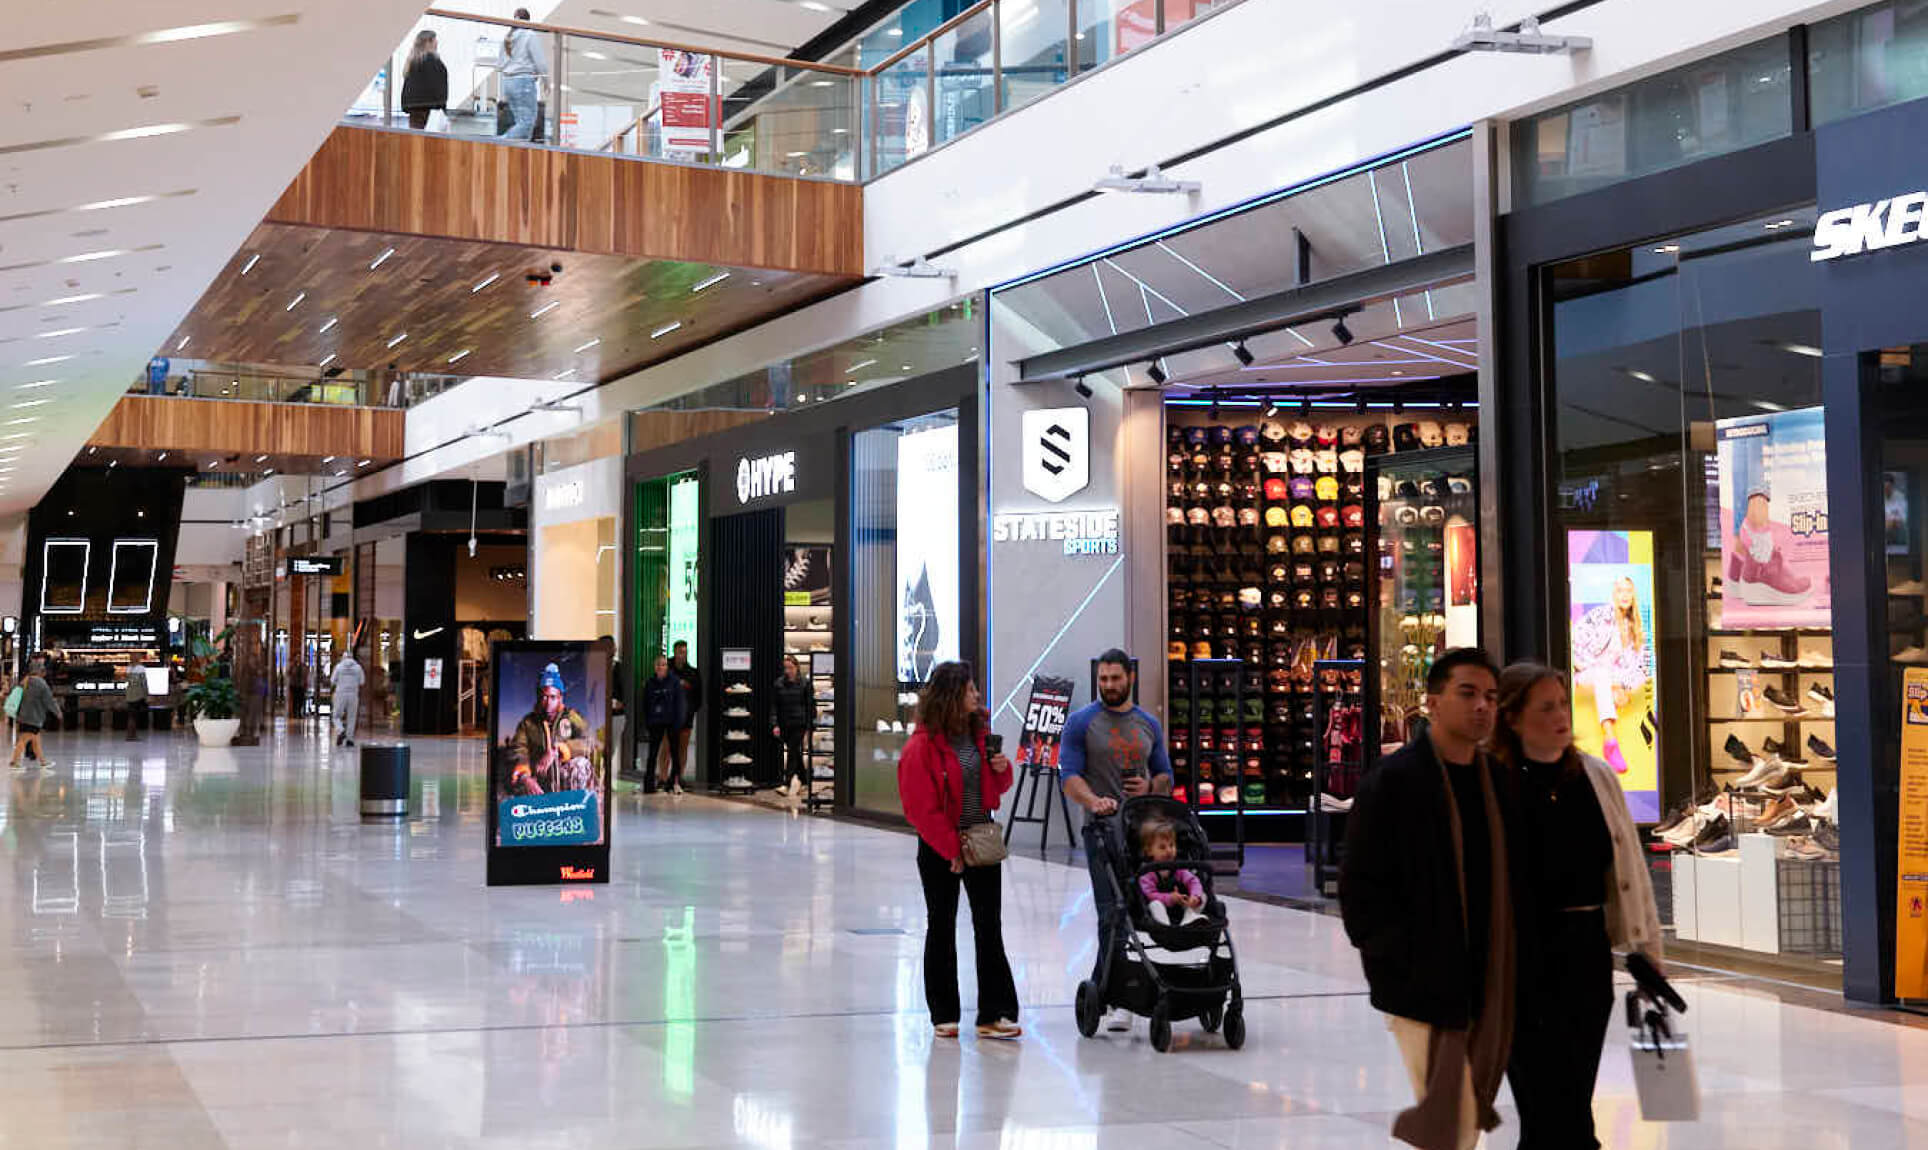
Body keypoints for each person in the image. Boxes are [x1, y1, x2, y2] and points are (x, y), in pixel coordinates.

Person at [1340, 647, 1515, 1150]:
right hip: (1422, 986)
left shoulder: (1496, 782)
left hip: (1486, 981)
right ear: (1432, 703)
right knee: (1452, 1124)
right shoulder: (1395, 782)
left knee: (1460, 1124)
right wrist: (1398, 958)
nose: (1482, 706)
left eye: (1490, 697)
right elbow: (1360, 884)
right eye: (1467, 693)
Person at [1491, 661, 1662, 1150]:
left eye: (1563, 704)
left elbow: (1630, 870)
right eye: (1545, 707)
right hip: (1519, 958)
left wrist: (1649, 953)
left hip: (1584, 952)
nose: (1561, 716)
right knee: (1547, 1102)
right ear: (1513, 718)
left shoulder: (1595, 776)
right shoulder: (1494, 781)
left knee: (1571, 1095)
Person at [897, 660, 1020, 1040]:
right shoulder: (921, 746)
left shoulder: (979, 736)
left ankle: (994, 1013)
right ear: (953, 695)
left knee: (989, 926)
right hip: (940, 846)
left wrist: (1001, 768)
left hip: (980, 840)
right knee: (941, 924)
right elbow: (919, 807)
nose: (977, 695)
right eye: (970, 690)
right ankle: (944, 1014)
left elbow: (994, 791)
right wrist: (951, 848)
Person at [1059, 648, 1172, 1033]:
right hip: (1102, 833)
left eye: (1115, 679)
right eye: (1103, 679)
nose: (1108, 685)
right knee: (1112, 912)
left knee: (1142, 911)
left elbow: (1165, 776)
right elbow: (1069, 776)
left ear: (1130, 679)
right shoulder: (1081, 723)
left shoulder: (1148, 725)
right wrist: (1094, 801)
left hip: (1143, 834)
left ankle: (1116, 988)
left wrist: (1148, 787)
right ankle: (1115, 995)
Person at [1571, 575, 1649, 774]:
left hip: (1612, 678)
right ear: (1614, 594)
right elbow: (1573, 643)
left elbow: (1643, 666)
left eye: (1628, 591)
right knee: (1601, 674)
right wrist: (1588, 666)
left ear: (1633, 596)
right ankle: (1610, 741)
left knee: (1606, 678)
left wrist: (1624, 688)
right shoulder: (1600, 616)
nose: (1625, 595)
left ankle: (1611, 740)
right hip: (1585, 670)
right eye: (1620, 590)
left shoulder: (1635, 627)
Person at [504, 662, 600, 796]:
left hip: (566, 781)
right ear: (538, 697)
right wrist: (525, 776)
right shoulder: (528, 723)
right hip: (539, 781)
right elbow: (518, 750)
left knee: (581, 764)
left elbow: (590, 741)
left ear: (560, 698)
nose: (548, 703)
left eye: (553, 697)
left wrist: (559, 750)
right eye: (544, 697)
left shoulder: (572, 717)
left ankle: (577, 807)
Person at [1136, 818, 1204, 926]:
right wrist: (1170, 898)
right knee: (1155, 905)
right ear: (1149, 851)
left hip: (1181, 905)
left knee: (1203, 896)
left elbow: (1192, 881)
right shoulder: (1148, 873)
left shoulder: (1178, 867)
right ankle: (1165, 926)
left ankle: (1189, 918)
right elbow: (1149, 894)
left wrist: (1194, 896)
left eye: (1172, 845)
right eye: (1162, 847)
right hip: (1160, 908)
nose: (1169, 850)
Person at [497, 8, 548, 141]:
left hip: (508, 82)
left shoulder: (507, 37)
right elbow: (540, 62)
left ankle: (520, 153)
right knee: (527, 122)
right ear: (528, 21)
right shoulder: (529, 35)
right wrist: (546, 81)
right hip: (523, 82)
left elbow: (500, 64)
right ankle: (500, 142)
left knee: (521, 123)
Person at [772, 654, 816, 799]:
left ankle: (787, 784)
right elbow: (774, 706)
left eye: (790, 667)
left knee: (792, 752)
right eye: (786, 668)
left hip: (800, 723)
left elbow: (811, 706)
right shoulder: (778, 683)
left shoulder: (805, 683)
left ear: (797, 667)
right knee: (795, 753)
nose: (788, 671)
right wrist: (775, 724)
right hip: (785, 724)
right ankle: (804, 781)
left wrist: (810, 726)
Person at [642, 655, 686, 792]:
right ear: (654, 667)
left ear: (667, 667)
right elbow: (645, 704)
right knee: (652, 754)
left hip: (672, 722)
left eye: (663, 665)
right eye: (658, 665)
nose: (660, 667)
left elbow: (680, 703)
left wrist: (679, 722)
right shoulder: (650, 683)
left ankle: (674, 782)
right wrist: (648, 722)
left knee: (675, 753)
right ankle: (649, 784)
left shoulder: (674, 682)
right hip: (655, 722)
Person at [10, 661, 59, 769]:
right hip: (33, 717)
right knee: (23, 740)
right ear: (40, 671)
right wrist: (57, 712)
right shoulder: (41, 683)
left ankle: (43, 762)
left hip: (23, 715)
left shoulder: (25, 681)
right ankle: (14, 763)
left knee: (36, 741)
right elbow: (49, 700)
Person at [399, 29, 449, 131]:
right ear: (428, 42)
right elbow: (438, 87)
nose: (437, 43)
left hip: (414, 109)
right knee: (430, 142)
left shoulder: (412, 61)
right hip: (429, 110)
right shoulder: (433, 61)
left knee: (416, 139)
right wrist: (442, 108)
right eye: (435, 40)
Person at [669, 640, 701, 791]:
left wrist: (691, 711)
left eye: (685, 652)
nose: (683, 655)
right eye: (680, 652)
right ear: (674, 652)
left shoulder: (692, 673)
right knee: (667, 747)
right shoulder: (667, 669)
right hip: (668, 717)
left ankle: (678, 778)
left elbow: (698, 696)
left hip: (686, 717)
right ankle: (663, 777)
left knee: (682, 748)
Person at [599, 635, 628, 778]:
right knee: (599, 748)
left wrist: (619, 702)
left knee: (610, 749)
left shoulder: (619, 668)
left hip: (616, 715)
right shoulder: (594, 668)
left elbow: (626, 694)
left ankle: (607, 777)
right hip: (598, 716)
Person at [330, 649, 366, 748]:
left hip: (341, 694)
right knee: (352, 717)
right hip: (353, 695)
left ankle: (341, 730)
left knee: (336, 716)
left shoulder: (339, 667)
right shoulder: (358, 668)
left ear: (343, 657)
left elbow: (332, 680)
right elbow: (362, 681)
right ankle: (350, 740)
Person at [123, 665, 148, 742]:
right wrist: (146, 695)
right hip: (137, 696)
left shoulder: (128, 670)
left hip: (129, 696)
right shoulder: (140, 673)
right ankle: (132, 736)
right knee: (134, 716)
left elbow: (126, 682)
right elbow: (144, 684)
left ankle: (130, 735)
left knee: (131, 716)